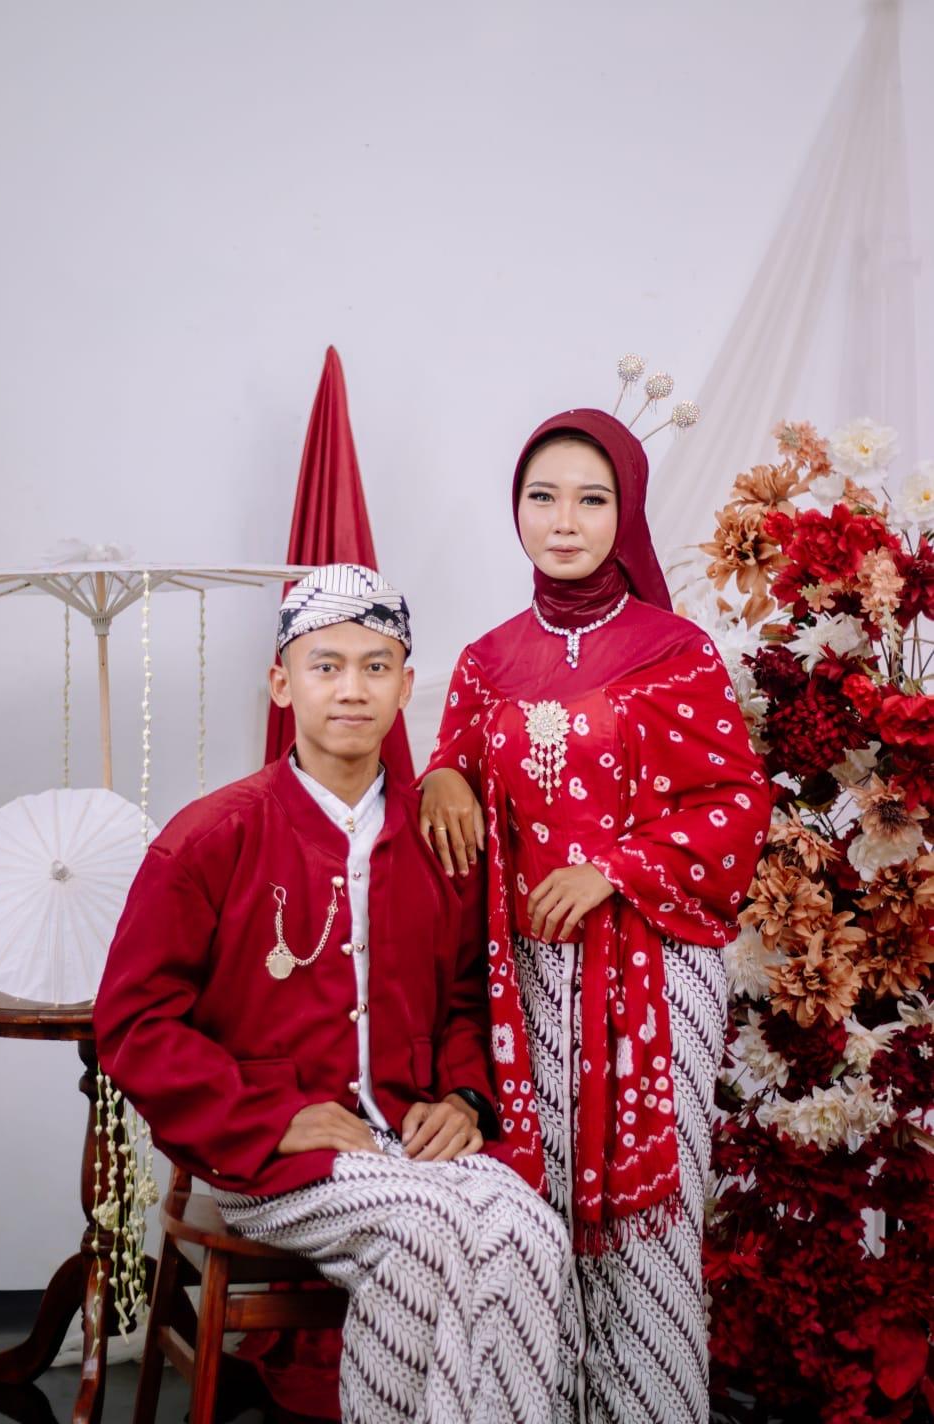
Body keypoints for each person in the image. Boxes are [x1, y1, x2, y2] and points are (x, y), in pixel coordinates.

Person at [94, 563, 571, 1424]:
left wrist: (464, 1098)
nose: (352, 689)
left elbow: (467, 999)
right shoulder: (210, 838)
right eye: (326, 666)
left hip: (409, 1135)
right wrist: (268, 1117)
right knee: (424, 1239)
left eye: (375, 666)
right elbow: (133, 1024)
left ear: (404, 686)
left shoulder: (437, 837)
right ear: (283, 684)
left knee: (532, 1229)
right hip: (265, 1154)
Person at [420, 412, 771, 1424]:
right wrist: (442, 773)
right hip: (526, 978)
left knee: (647, 1229)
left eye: (590, 498)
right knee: (538, 1211)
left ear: (627, 511)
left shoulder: (674, 651)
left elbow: (735, 802)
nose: (562, 521)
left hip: (655, 969)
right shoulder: (486, 661)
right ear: (516, 510)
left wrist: (614, 869)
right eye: (542, 498)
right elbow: (456, 766)